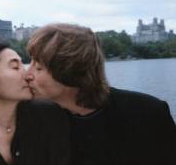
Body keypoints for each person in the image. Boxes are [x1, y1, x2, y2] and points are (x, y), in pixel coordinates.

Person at [26, 23, 176, 165]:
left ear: (69, 72)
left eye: (38, 67)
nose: (27, 74)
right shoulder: (40, 123)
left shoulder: (148, 113)